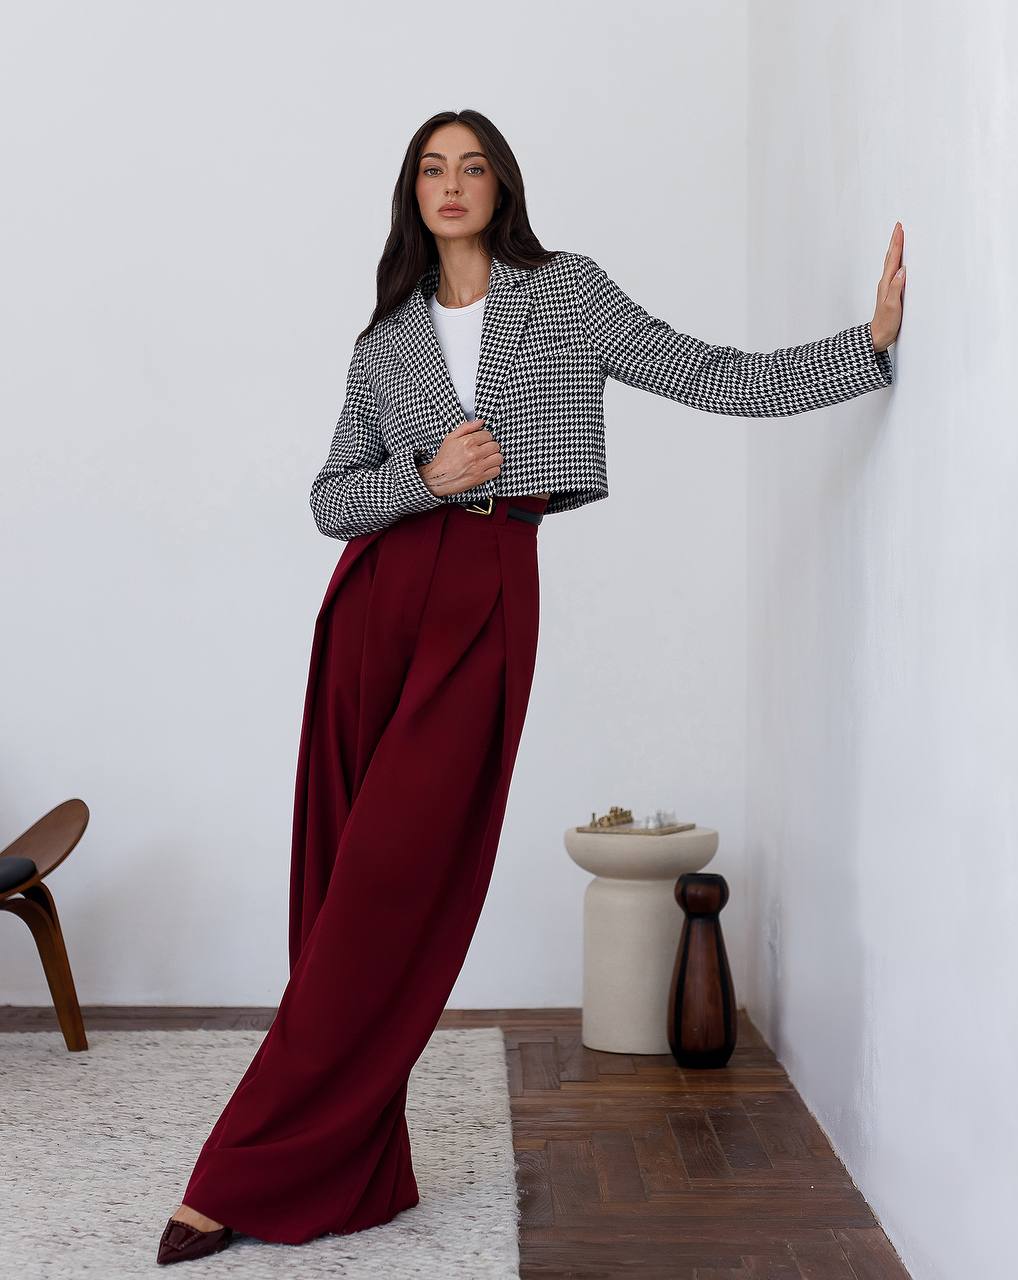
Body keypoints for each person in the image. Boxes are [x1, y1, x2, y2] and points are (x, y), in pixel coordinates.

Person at [156, 108, 905, 1265]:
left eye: (472, 167)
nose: (451, 185)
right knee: (343, 890)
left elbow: (705, 371)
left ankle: (238, 1169)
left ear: (503, 187)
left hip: (489, 588)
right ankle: (354, 1164)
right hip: (372, 604)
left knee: (391, 887)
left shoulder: (566, 293)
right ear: (412, 195)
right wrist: (424, 471)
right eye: (430, 169)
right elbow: (327, 500)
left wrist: (860, 348)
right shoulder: (385, 342)